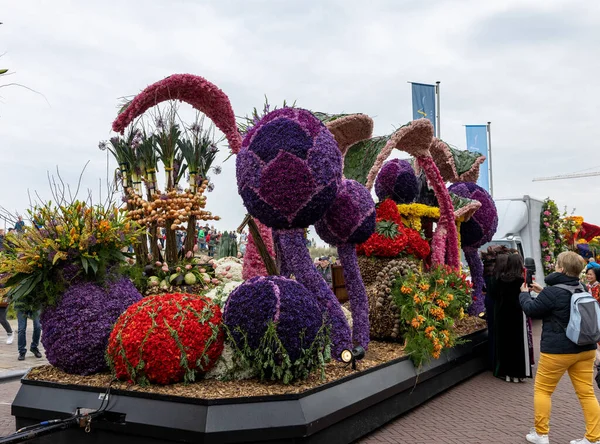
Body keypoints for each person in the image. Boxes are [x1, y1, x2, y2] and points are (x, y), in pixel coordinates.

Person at [520, 251, 600, 444]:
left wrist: (524, 295)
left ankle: (541, 434)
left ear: (562, 269)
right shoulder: (582, 288)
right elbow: (563, 303)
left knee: (543, 390)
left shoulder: (552, 291)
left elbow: (531, 310)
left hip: (558, 351)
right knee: (587, 393)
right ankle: (593, 437)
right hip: (585, 348)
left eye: (557, 264)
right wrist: (542, 291)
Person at [490, 252, 533, 382]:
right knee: (518, 344)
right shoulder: (521, 281)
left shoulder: (501, 279)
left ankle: (507, 373)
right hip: (517, 314)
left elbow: (495, 295)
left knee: (506, 344)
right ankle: (518, 373)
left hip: (502, 314)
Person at [585, 267, 600, 367]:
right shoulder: (585, 287)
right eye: (587, 274)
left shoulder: (598, 287)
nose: (588, 276)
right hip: (588, 316)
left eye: (591, 274)